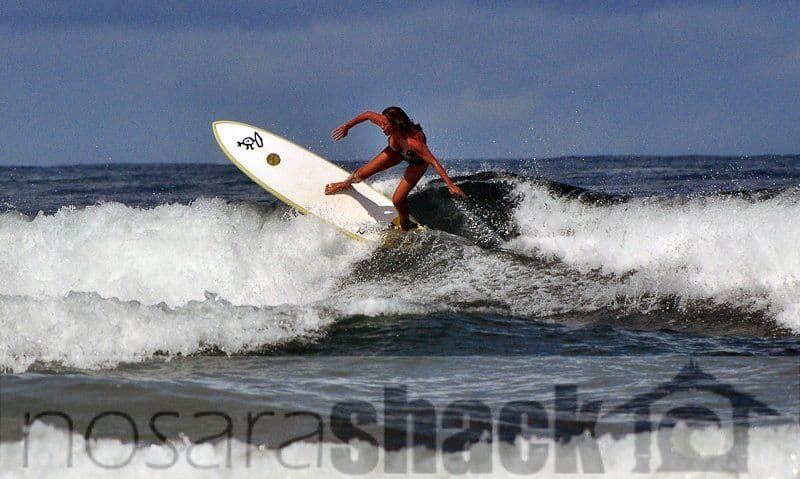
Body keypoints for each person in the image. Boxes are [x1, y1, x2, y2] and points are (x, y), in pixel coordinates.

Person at [324, 106, 466, 230]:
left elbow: (434, 162)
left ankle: (405, 223)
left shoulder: (414, 142)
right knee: (359, 175)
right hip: (396, 151)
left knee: (397, 200)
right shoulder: (385, 122)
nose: (382, 126)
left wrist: (450, 184)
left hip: (417, 162)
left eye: (385, 124)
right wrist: (347, 126)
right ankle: (345, 184)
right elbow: (367, 115)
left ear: (396, 124)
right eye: (382, 123)